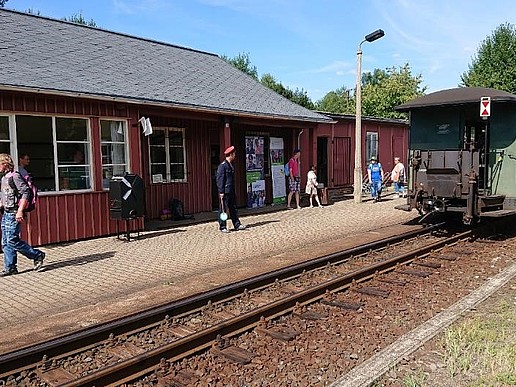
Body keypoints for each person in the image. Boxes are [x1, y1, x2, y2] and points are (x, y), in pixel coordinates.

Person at [0, 153, 45, 276]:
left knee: (12, 240)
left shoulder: (15, 176)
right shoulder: (4, 178)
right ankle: (10, 267)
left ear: (5, 164)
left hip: (14, 212)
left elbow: (26, 192)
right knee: (5, 242)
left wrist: (20, 210)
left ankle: (37, 255)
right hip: (6, 213)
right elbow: (5, 195)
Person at [216, 146, 246, 233]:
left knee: (233, 208)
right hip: (225, 191)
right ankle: (222, 226)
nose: (235, 155)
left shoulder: (230, 165)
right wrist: (221, 191)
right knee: (223, 209)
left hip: (231, 190)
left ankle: (237, 224)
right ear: (231, 154)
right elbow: (220, 179)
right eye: (234, 154)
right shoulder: (222, 166)